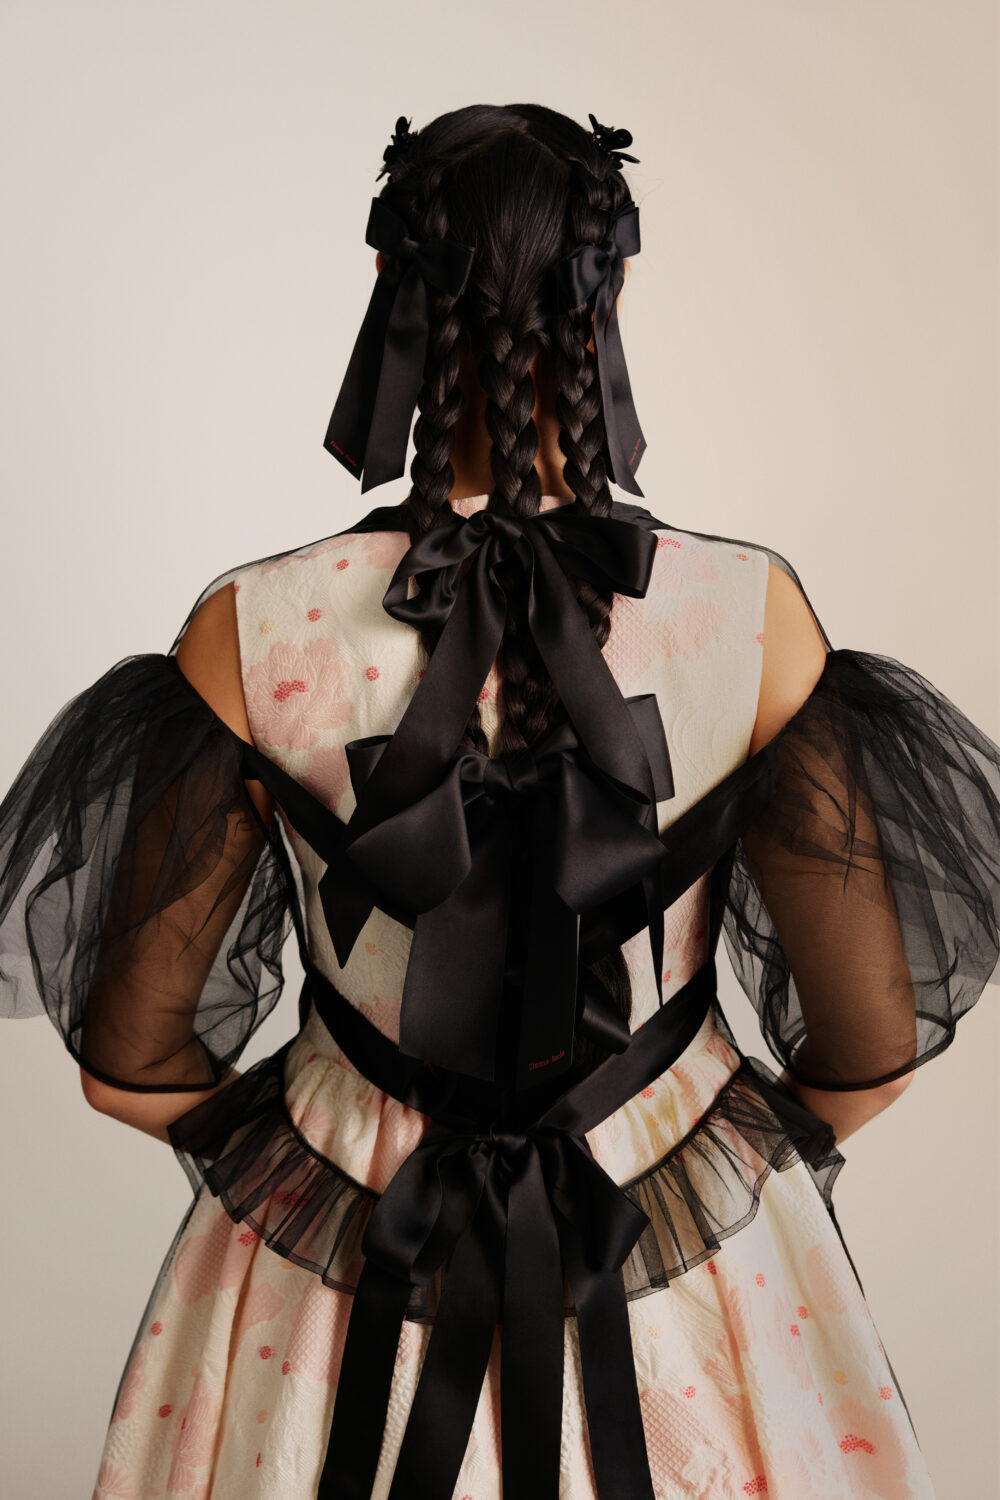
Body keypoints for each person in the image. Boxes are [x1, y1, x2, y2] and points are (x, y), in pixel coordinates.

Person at [1, 102, 997, 1500]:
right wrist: (687, 1150)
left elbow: (128, 1065)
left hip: (351, 1269)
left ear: (392, 294)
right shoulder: (754, 622)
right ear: (612, 290)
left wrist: (320, 1159)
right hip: (681, 1283)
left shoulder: (249, 633)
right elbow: (871, 1054)